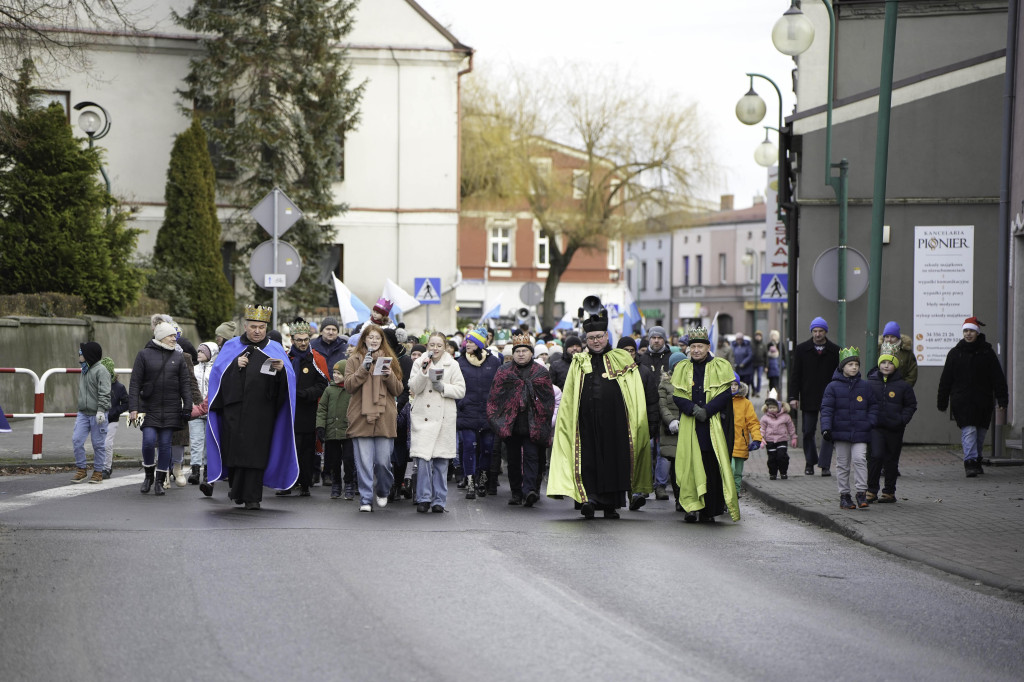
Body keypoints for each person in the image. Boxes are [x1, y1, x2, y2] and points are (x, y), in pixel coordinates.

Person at [547, 307, 653, 519]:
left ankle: (611, 505)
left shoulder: (620, 358)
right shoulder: (579, 361)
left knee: (614, 461)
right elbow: (569, 394)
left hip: (615, 422)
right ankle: (589, 500)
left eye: (599, 337)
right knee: (588, 460)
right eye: (591, 338)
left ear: (606, 336)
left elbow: (633, 391)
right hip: (586, 422)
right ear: (586, 339)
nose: (595, 341)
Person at [205, 305, 299, 510]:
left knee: (256, 455)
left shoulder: (275, 348)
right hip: (234, 412)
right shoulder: (231, 346)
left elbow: (288, 385)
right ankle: (237, 492)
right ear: (245, 326)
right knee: (236, 453)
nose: (257, 331)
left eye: (262, 327)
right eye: (253, 326)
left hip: (261, 413)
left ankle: (253, 497)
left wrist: (282, 372)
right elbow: (217, 379)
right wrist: (234, 367)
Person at [671, 326, 739, 523]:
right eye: (693, 347)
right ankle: (691, 507)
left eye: (700, 346)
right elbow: (677, 395)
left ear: (708, 347)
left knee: (711, 467)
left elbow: (726, 393)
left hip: (712, 426)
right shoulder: (683, 368)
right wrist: (693, 409)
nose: (696, 350)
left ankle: (710, 510)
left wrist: (707, 411)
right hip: (691, 425)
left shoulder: (721, 365)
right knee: (690, 466)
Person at [487, 333, 555, 507]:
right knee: (514, 459)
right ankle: (516, 492)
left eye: (525, 350)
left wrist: (542, 418)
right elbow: (495, 398)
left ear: (531, 353)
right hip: (511, 424)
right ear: (513, 353)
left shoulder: (540, 372)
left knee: (532, 457)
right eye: (518, 351)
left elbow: (548, 399)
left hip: (534, 424)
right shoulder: (504, 371)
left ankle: (530, 491)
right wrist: (500, 420)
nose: (521, 354)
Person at [937, 316, 1008, 478]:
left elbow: (998, 378)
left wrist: (1002, 399)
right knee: (969, 431)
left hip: (983, 401)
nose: (968, 334)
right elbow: (946, 379)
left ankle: (976, 459)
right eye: (965, 331)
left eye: (971, 331)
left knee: (980, 433)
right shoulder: (955, 354)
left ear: (977, 333)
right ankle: (969, 462)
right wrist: (942, 401)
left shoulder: (987, 353)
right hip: (961, 400)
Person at [129, 322, 193, 496]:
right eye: (171, 335)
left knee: (165, 445)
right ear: (161, 337)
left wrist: (187, 405)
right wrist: (133, 407)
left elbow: (185, 384)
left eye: (175, 336)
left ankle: (159, 480)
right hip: (148, 407)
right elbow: (135, 383)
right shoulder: (143, 355)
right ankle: (148, 476)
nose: (174, 339)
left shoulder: (178, 357)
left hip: (172, 408)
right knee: (149, 441)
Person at [345, 323, 403, 512]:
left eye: (377, 338)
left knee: (383, 462)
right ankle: (365, 499)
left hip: (384, 417)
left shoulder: (390, 359)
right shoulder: (354, 359)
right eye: (370, 337)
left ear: (382, 341)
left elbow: (398, 390)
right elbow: (349, 386)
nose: (374, 341)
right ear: (364, 339)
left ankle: (383, 489)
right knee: (363, 462)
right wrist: (363, 368)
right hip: (361, 416)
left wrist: (389, 376)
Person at [408, 332, 466, 512]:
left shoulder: (453, 364)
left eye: (439, 345)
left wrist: (443, 388)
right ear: (427, 346)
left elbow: (461, 390)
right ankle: (423, 498)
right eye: (432, 345)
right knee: (424, 461)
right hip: (423, 417)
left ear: (445, 347)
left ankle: (439, 500)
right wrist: (424, 373)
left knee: (441, 463)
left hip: (443, 418)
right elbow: (413, 388)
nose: (435, 348)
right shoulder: (419, 362)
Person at [820, 347, 879, 510]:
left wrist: (870, 422)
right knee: (843, 464)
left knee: (860, 460)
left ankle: (861, 492)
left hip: (861, 431)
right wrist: (826, 428)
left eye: (856, 364)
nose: (854, 367)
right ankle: (844, 495)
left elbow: (873, 406)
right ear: (842, 367)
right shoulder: (832, 387)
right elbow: (826, 409)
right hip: (840, 431)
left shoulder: (865, 386)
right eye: (850, 364)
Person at [278, 319, 329, 496]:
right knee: (287, 448)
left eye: (305, 339)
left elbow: (324, 383)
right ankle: (286, 484)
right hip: (287, 412)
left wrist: (306, 393)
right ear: (292, 340)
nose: (302, 343)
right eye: (299, 340)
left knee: (306, 449)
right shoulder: (284, 357)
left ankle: (305, 483)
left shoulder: (316, 358)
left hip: (307, 411)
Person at [788, 317, 840, 476]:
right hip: (808, 395)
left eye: (821, 331)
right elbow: (795, 374)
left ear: (825, 332)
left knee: (828, 431)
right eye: (815, 331)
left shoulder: (835, 350)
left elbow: (839, 375)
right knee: (808, 431)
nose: (817, 334)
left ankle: (825, 465)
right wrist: (793, 396)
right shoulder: (802, 349)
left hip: (829, 398)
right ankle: (810, 462)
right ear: (812, 332)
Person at [866, 341, 917, 502]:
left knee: (891, 459)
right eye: (883, 362)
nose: (886, 366)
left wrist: (902, 420)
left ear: (895, 365)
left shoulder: (903, 386)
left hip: (895, 428)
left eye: (890, 363)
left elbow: (911, 405)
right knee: (875, 455)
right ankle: (871, 489)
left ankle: (889, 491)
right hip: (875, 428)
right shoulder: (871, 382)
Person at [615, 336, 662, 506]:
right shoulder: (611, 370)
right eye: (625, 351)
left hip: (638, 424)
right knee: (618, 461)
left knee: (637, 459)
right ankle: (617, 495)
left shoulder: (644, 372)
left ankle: (635, 493)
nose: (629, 354)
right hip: (616, 424)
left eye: (632, 351)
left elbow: (652, 400)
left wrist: (652, 424)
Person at [457, 328, 502, 499]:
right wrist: (460, 403)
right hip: (467, 412)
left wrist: (496, 406)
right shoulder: (459, 362)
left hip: (488, 413)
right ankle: (470, 482)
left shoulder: (494, 362)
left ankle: (482, 480)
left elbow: (499, 386)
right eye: (466, 341)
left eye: (471, 341)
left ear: (479, 343)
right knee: (468, 446)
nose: (467, 344)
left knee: (488, 449)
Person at [71, 342, 111, 484]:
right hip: (83, 413)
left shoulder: (101, 371)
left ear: (89, 355)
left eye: (81, 353)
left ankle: (98, 471)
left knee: (98, 444)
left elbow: (105, 392)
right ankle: (81, 469)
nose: (79, 356)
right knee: (77, 440)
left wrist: (101, 410)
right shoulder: (85, 369)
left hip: (97, 414)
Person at [317, 360, 355, 499]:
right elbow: (322, 409)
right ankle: (336, 484)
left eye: (339, 373)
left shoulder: (352, 390)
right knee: (334, 460)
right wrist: (320, 426)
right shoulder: (329, 389)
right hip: (332, 430)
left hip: (349, 430)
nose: (336, 376)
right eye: (334, 373)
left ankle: (349, 483)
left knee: (349, 459)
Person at [657, 352, 688, 509]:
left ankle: (687, 496)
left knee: (688, 466)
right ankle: (678, 499)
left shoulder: (692, 382)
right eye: (677, 364)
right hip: (673, 430)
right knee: (676, 465)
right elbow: (662, 406)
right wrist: (671, 421)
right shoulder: (665, 385)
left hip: (689, 428)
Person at [187, 342, 218, 486]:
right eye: (198, 351)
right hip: (195, 409)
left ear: (211, 354)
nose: (199, 353)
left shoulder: (216, 370)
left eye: (203, 351)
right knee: (196, 441)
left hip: (211, 411)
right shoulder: (193, 369)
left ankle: (207, 472)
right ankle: (194, 472)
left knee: (208, 444)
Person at [730, 374, 761, 495]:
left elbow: (753, 423)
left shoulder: (746, 403)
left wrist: (757, 439)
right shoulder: (722, 401)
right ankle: (727, 495)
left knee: (737, 472)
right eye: (730, 385)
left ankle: (736, 494)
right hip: (726, 443)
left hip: (741, 443)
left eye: (735, 384)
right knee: (730, 470)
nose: (733, 387)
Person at [99, 356, 128, 479]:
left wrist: (115, 412)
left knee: (107, 444)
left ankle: (107, 467)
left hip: (112, 420)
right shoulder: (97, 384)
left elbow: (127, 403)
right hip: (99, 419)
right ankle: (100, 466)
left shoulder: (119, 387)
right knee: (99, 444)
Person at [759, 392, 797, 480]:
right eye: (770, 408)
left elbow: (791, 427)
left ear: (779, 407)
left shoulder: (786, 417)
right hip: (770, 440)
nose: (771, 409)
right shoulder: (765, 418)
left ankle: (783, 472)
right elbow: (762, 428)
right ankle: (773, 473)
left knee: (781, 456)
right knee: (772, 458)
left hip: (782, 439)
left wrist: (793, 437)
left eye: (774, 407)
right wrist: (761, 438)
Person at [878, 321, 918, 387]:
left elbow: (912, 373)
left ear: (898, 338)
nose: (889, 339)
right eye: (887, 336)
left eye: (892, 337)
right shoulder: (878, 349)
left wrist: (904, 388)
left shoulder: (906, 351)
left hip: (900, 390)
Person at [766, 330, 783, 395]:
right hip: (771, 366)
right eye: (772, 335)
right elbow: (766, 356)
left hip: (778, 366)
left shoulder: (780, 344)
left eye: (775, 335)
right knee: (771, 383)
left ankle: (777, 396)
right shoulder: (769, 345)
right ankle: (772, 396)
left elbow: (783, 355)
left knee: (777, 383)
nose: (773, 337)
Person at [751, 331, 767, 397]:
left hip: (760, 363)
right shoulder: (752, 344)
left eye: (759, 336)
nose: (758, 337)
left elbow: (766, 356)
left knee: (759, 377)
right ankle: (753, 389)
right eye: (757, 336)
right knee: (751, 378)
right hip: (752, 363)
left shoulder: (763, 345)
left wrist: (766, 366)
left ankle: (758, 391)